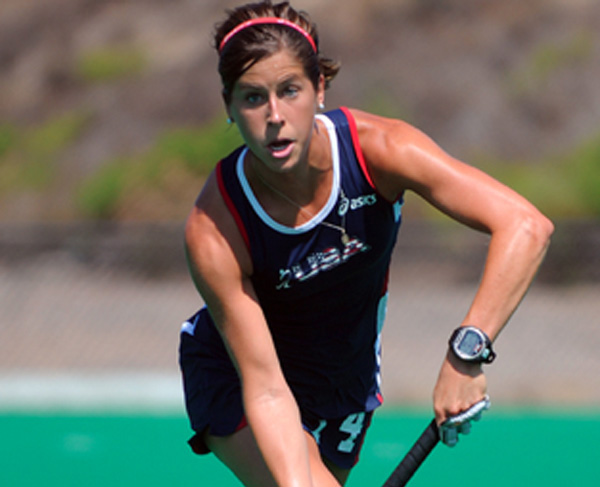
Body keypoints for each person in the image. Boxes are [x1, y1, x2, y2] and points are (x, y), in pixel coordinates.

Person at [179, 2, 554, 486]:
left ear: (319, 89)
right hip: (243, 375)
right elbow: (268, 389)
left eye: (289, 91)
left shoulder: (381, 149)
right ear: (229, 106)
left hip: (344, 381)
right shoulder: (215, 227)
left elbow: (525, 226)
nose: (274, 116)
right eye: (253, 98)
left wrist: (466, 355)